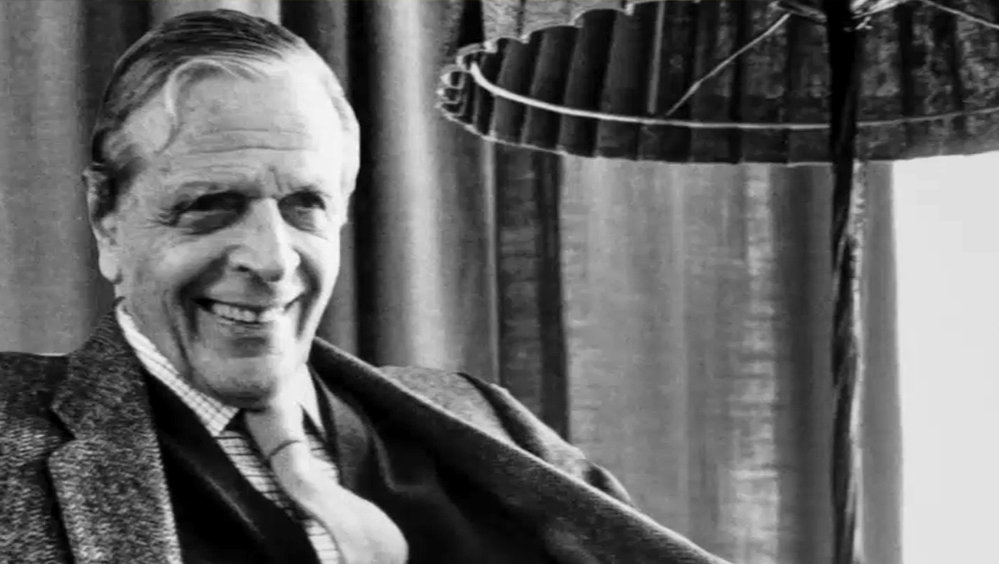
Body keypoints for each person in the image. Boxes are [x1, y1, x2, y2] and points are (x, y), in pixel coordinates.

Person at [0, 10, 727, 564]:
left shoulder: (484, 418)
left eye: (305, 205)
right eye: (209, 205)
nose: (272, 259)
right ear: (106, 219)